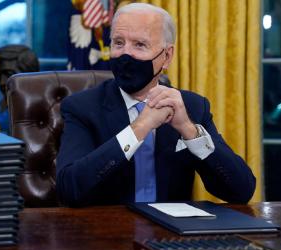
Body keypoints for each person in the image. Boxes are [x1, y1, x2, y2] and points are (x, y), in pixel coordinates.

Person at [56, 3, 256, 207]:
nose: (126, 54)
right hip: (108, 232)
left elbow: (241, 191)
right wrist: (139, 128)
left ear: (166, 56)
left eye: (139, 45)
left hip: (171, 234)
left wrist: (189, 130)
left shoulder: (193, 107)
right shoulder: (82, 107)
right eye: (118, 43)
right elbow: (69, 189)